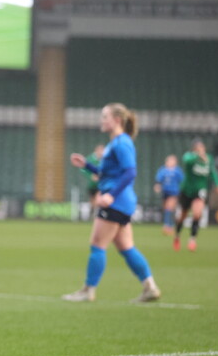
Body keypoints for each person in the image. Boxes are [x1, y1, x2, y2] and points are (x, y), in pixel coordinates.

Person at [63, 103, 160, 304]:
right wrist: (87, 166)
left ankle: (88, 290)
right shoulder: (115, 143)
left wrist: (111, 195)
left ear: (117, 120)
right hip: (123, 202)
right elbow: (108, 173)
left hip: (116, 202)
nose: (102, 120)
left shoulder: (121, 143)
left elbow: (130, 171)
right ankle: (150, 286)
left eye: (104, 116)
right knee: (126, 247)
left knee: (97, 244)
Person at [173, 139, 218, 252]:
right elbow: (186, 160)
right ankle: (177, 236)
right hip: (187, 190)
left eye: (202, 148)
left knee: (197, 213)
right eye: (198, 149)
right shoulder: (190, 157)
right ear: (194, 150)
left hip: (200, 190)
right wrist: (197, 156)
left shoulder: (208, 158)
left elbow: (212, 171)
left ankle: (192, 239)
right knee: (183, 215)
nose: (201, 151)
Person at [153, 154, 183, 235]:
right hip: (165, 192)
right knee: (167, 209)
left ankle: (168, 226)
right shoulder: (163, 170)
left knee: (169, 208)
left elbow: (182, 181)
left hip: (174, 192)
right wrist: (157, 186)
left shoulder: (177, 171)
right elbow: (158, 180)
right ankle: (170, 225)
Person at [82, 143, 105, 213]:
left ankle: (97, 213)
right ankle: (92, 212)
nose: (101, 152)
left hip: (102, 185)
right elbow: (83, 169)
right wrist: (91, 176)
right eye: (100, 150)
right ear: (96, 151)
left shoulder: (105, 160)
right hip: (92, 185)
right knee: (92, 201)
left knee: (98, 200)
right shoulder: (90, 159)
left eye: (102, 151)